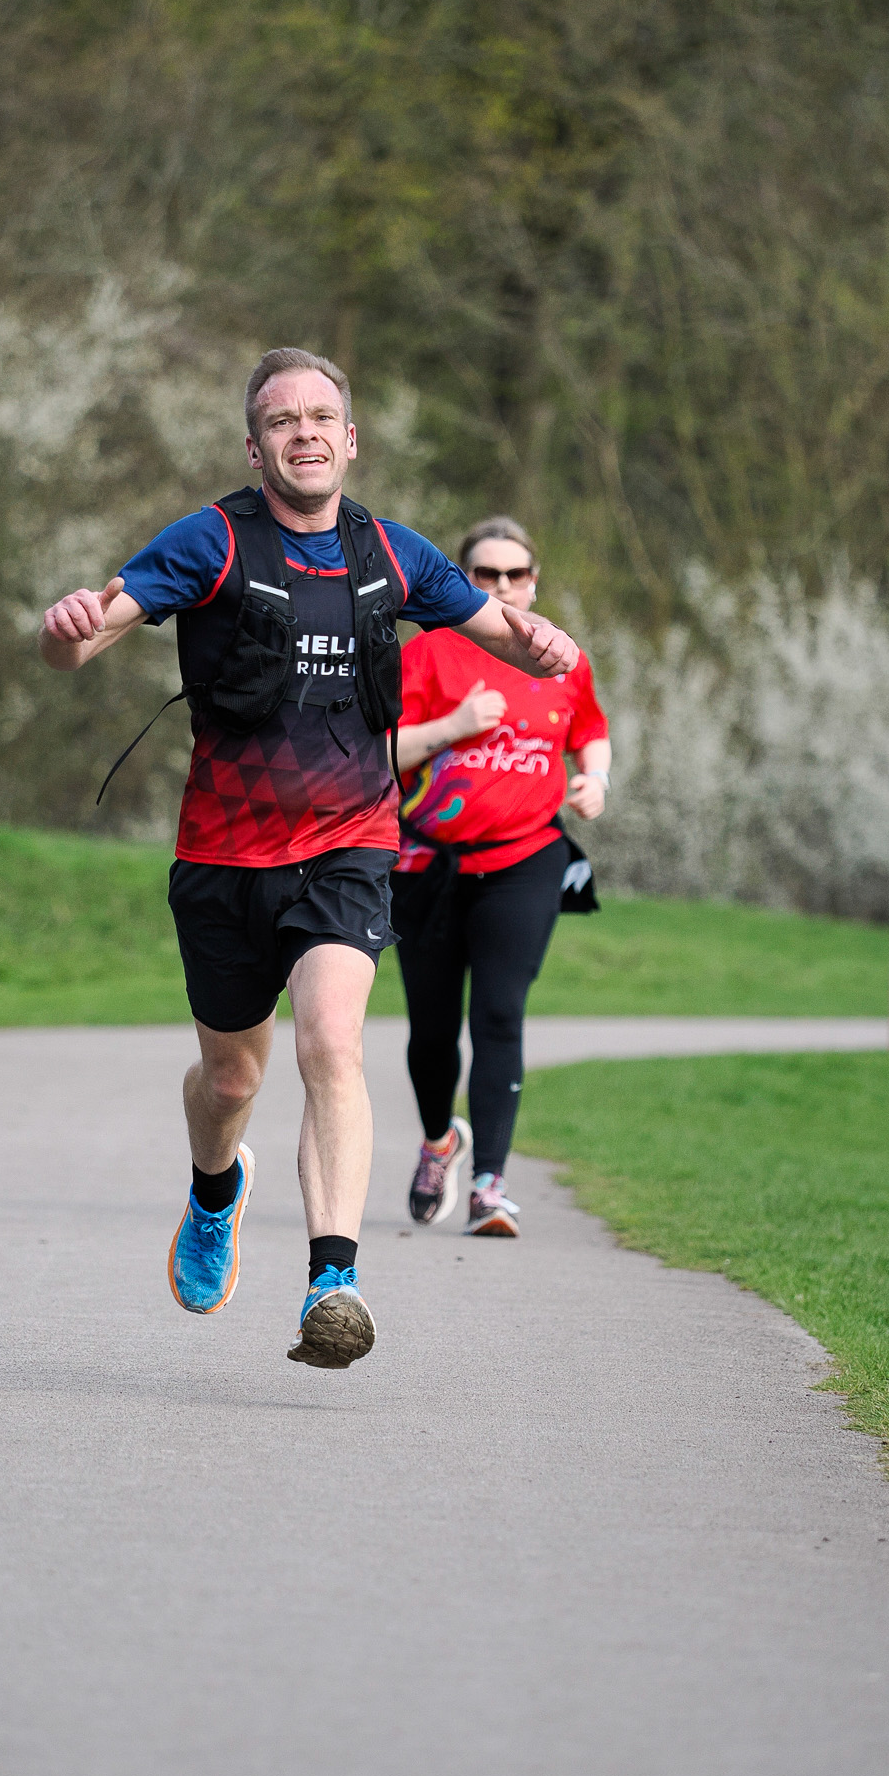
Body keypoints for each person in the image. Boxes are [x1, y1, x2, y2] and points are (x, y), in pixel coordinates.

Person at [40, 352, 581, 1367]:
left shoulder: (391, 551)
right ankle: (215, 1191)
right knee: (230, 1077)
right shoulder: (209, 541)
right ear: (256, 448)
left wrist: (540, 641)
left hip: (351, 842)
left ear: (350, 437)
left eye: (322, 416)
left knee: (332, 1040)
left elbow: (499, 629)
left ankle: (334, 1284)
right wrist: (66, 628)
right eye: (283, 420)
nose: (305, 433)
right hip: (222, 856)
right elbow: (81, 642)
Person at [392, 515, 610, 1237]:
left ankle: (490, 1185)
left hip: (525, 858)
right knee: (431, 1031)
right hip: (426, 863)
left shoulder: (560, 657)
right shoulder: (427, 654)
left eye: (516, 574)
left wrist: (596, 780)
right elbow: (375, 754)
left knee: (498, 1014)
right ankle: (438, 1142)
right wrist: (453, 727)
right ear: (462, 582)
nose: (503, 585)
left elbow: (591, 731)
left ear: (534, 581)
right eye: (486, 574)